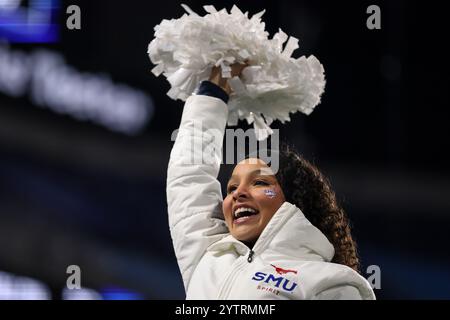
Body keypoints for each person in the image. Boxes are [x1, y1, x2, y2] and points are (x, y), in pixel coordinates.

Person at [166, 64, 375, 299]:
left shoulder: (332, 283)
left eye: (259, 183)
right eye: (232, 187)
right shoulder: (209, 255)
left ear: (297, 197)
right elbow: (188, 175)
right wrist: (216, 85)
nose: (237, 194)